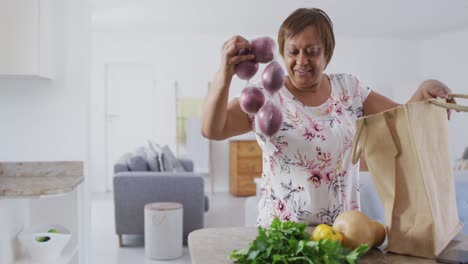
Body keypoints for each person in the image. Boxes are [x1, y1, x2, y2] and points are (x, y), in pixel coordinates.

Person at [201, 8, 455, 227]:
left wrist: (425, 91)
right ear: (282, 52)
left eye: (311, 51)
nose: (302, 61)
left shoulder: (349, 89)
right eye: (293, 51)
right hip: (281, 236)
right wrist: (224, 73)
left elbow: (402, 122)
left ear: (327, 54)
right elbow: (212, 129)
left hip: (343, 233)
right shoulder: (263, 95)